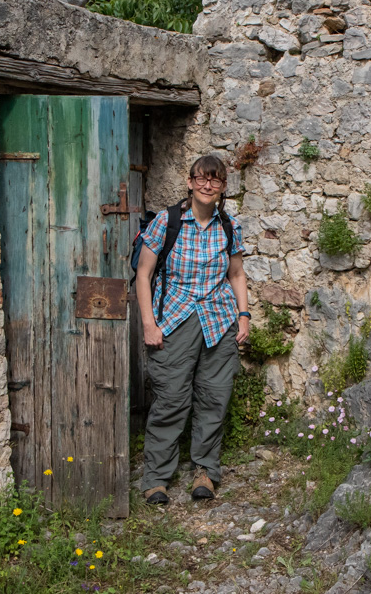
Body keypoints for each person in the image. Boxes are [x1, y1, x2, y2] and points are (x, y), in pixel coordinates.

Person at [136, 155, 250, 504]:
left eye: (215, 181)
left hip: (218, 322)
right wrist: (148, 324)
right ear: (190, 182)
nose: (207, 185)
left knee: (214, 398)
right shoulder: (166, 222)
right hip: (174, 322)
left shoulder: (229, 226)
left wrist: (243, 316)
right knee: (171, 400)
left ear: (222, 188)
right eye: (201, 178)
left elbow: (236, 275)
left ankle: (205, 472)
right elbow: (143, 274)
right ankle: (156, 478)